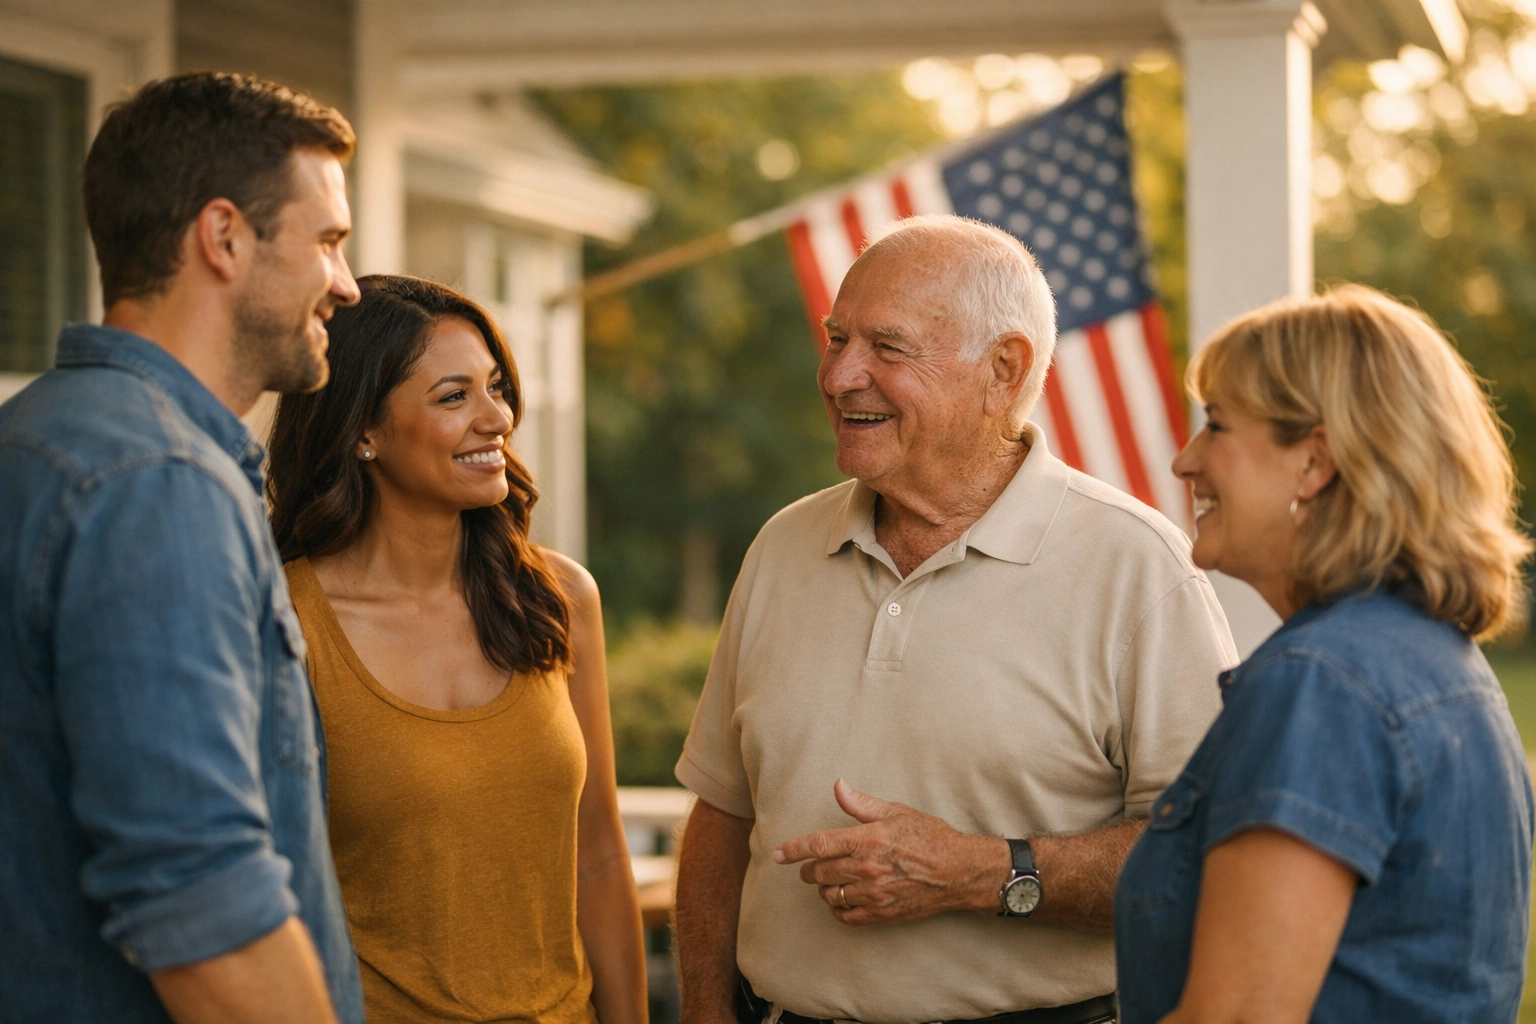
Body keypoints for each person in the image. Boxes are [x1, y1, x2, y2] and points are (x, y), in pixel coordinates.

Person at [673, 215, 1237, 1024]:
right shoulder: (782, 547)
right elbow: (724, 815)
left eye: (887, 348)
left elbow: (1203, 858)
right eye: (836, 341)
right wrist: (702, 1010)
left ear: (1003, 371)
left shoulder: (1138, 567)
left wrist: (982, 871)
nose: (839, 376)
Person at [0, 73, 363, 1022]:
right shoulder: (157, 485)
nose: (348, 284)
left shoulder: (36, 440)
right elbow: (202, 903)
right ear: (224, 237)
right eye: (327, 242)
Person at [1114, 285, 1535, 1024]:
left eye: (1216, 426)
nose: (1184, 461)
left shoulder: (1323, 686)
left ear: (1314, 463)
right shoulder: (1439, 663)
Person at [266, 274, 647, 1024]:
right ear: (362, 431)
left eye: (496, 388)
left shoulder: (561, 600)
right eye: (453, 397)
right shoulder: (283, 624)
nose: (497, 417)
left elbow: (598, 856)